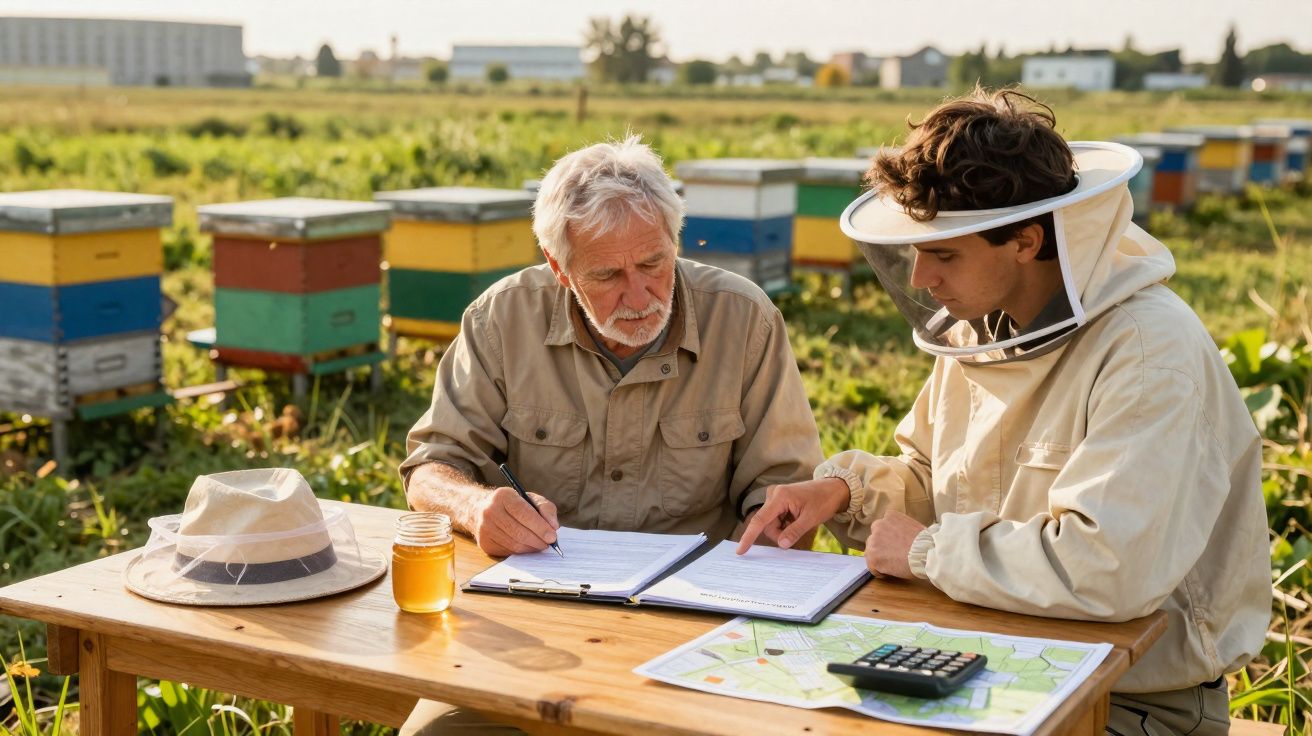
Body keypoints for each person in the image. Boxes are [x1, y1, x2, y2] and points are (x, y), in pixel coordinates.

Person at [737, 89, 1270, 736]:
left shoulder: (1146, 353)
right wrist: (844, 492)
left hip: (1130, 700)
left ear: (1025, 240)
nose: (921, 277)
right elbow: (936, 482)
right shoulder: (980, 330)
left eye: (945, 254)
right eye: (919, 250)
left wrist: (926, 553)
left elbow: (1108, 568)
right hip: (993, 661)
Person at [398, 136, 823, 734]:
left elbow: (784, 491)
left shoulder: (745, 320)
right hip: (530, 624)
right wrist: (473, 506)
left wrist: (775, 536)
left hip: (696, 629)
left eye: (653, 264)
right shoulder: (500, 320)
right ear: (559, 268)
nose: (640, 295)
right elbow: (431, 466)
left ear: (675, 240)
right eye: (607, 275)